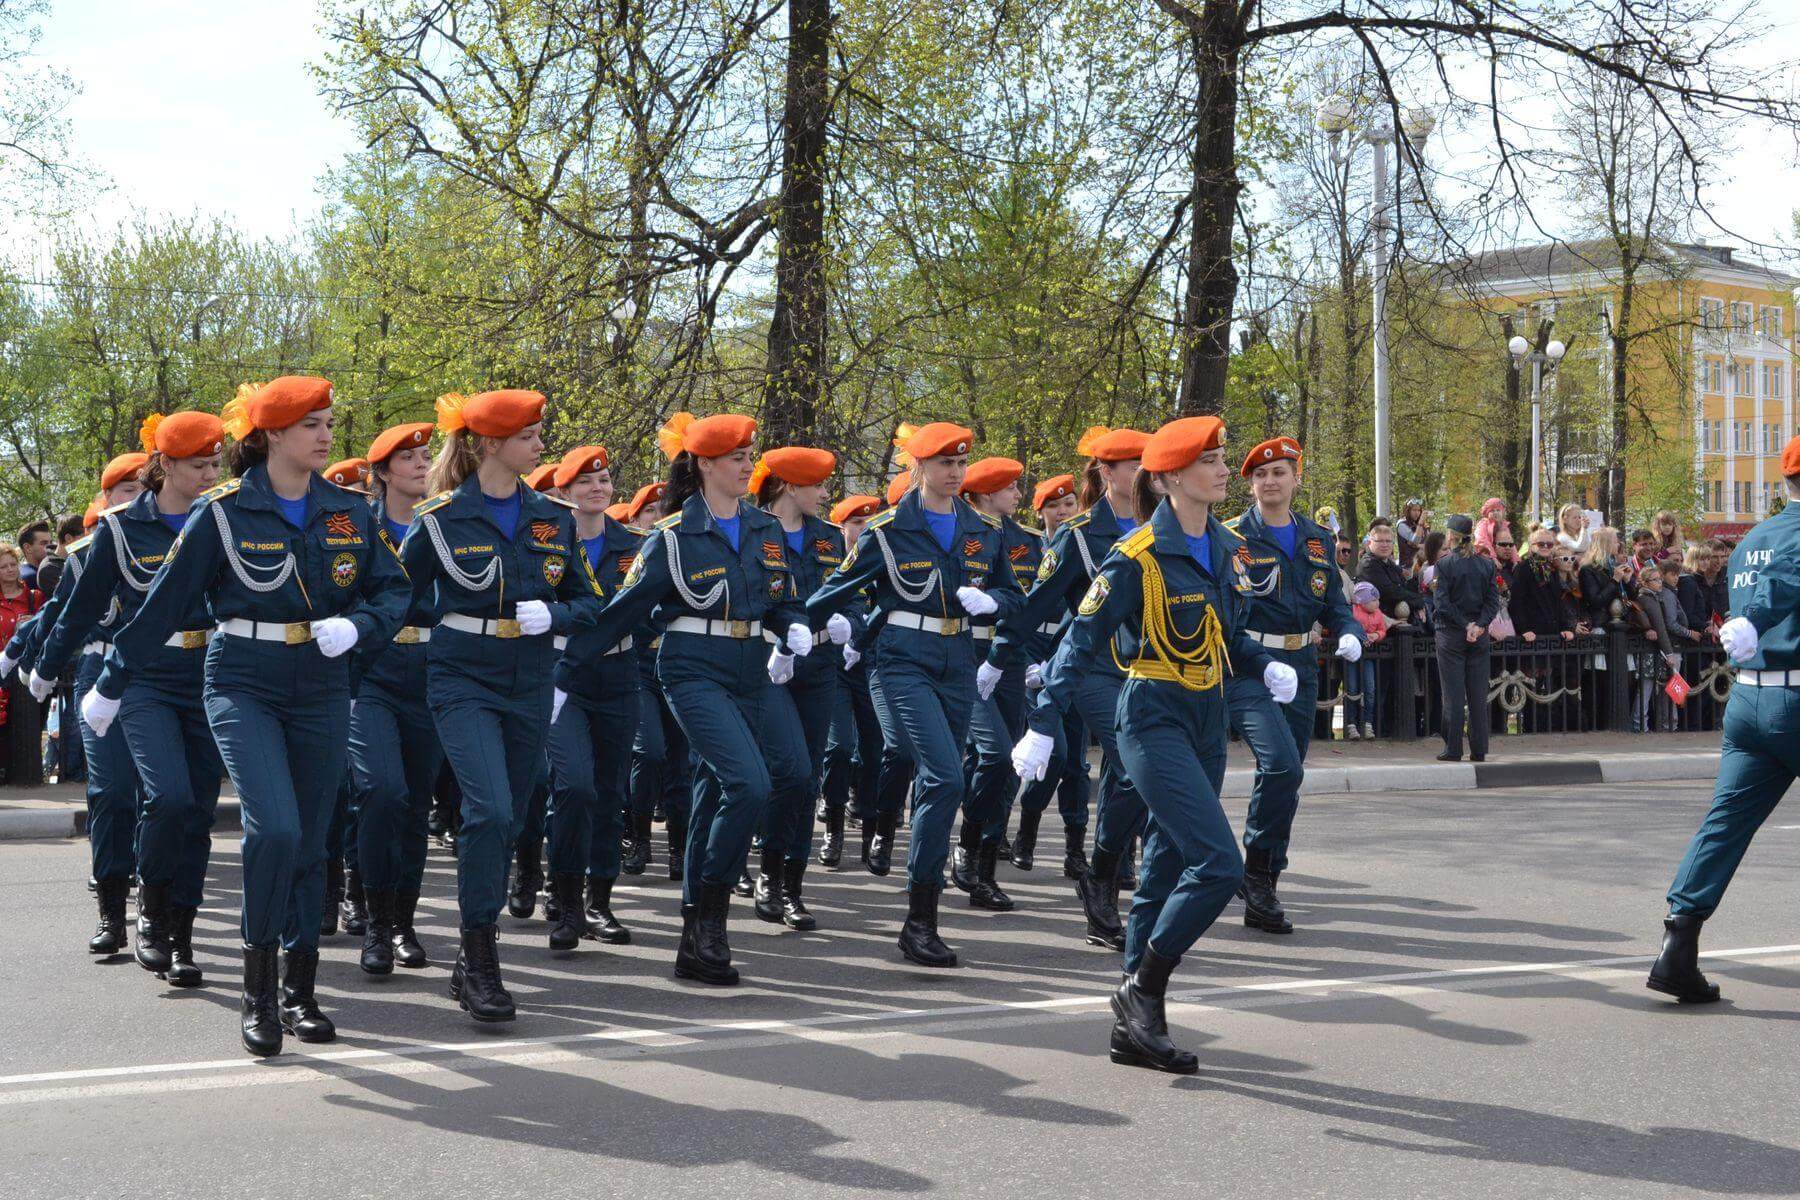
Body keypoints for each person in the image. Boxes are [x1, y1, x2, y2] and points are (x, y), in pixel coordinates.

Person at [80, 378, 408, 1056]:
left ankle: (299, 992)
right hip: (242, 681)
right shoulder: (223, 513)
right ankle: (258, 992)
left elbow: (392, 589)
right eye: (311, 424)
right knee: (277, 828)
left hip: (321, 679)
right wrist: (111, 682)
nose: (325, 434)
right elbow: (162, 606)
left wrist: (360, 626)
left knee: (313, 839)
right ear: (273, 435)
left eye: (328, 422)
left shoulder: (348, 509)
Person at [1010, 415, 1298, 1074]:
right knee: (1219, 865)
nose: (1225, 469)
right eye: (1211, 461)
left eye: (1224, 458)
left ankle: (1139, 1026)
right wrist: (1043, 721)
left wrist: (1260, 664)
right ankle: (1139, 989)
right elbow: (1077, 645)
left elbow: (1232, 632)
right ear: (1170, 478)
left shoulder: (1226, 548)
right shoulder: (1135, 555)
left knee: (1164, 873)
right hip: (1150, 715)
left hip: (1206, 715)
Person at [579, 412, 814, 986]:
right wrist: (563, 675)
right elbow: (624, 613)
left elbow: (779, 596)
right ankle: (708, 921)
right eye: (735, 457)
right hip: (692, 668)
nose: (745, 465)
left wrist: (793, 624)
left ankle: (696, 928)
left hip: (753, 669)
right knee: (748, 783)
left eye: (748, 456)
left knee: (794, 775)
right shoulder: (672, 535)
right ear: (705, 463)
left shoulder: (765, 529)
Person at [396, 390, 604, 1020]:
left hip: (530, 679)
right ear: (490, 444)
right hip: (462, 675)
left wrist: (558, 613)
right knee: (486, 811)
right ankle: (480, 958)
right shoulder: (437, 519)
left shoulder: (553, 517)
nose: (541, 445)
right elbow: (391, 596)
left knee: (512, 815)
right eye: (529, 436)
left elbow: (590, 602)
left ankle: (467, 963)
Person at [807, 421, 1026, 967]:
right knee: (946, 774)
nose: (954, 473)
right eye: (944, 464)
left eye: (960, 464)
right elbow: (834, 592)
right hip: (900, 659)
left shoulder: (984, 530)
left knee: (942, 783)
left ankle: (921, 918)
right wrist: (788, 635)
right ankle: (920, 919)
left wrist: (995, 602)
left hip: (958, 662)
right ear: (919, 468)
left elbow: (1015, 596)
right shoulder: (886, 532)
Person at [32, 413, 228, 987]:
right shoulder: (119, 531)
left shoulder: (221, 519)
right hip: (140, 675)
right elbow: (80, 606)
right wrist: (44, 669)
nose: (210, 474)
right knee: (153, 796)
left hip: (209, 673)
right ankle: (134, 914)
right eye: (199, 465)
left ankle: (181, 932)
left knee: (196, 809)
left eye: (216, 464)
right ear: (164, 466)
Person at [983, 426, 1148, 951]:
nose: (1149, 474)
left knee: (1139, 771)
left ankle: (1110, 868)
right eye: (1134, 465)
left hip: (1150, 670)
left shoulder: (1164, 525)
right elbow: (1037, 605)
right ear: (1107, 473)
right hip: (1094, 672)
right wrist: (1000, 657)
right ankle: (1103, 876)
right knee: (1130, 754)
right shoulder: (1077, 535)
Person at [1649, 437, 1800, 1003]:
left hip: (1750, 703)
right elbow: (1783, 589)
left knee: (1725, 824)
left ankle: (1677, 944)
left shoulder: (1752, 542)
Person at [0, 457, 144, 954]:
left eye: (143, 486)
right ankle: (112, 906)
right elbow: (60, 615)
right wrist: (22, 658)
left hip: (160, 677)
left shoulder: (182, 537)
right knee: (110, 791)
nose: (137, 495)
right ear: (107, 496)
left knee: (162, 794)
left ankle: (156, 894)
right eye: (127, 488)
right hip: (98, 673)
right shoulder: (89, 551)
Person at [1223, 435, 1361, 934]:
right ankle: (1257, 874)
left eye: (1279, 472)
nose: (1270, 481)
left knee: (1288, 773)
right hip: (1249, 669)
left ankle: (1262, 879)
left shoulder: (1317, 539)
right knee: (1279, 765)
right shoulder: (1231, 537)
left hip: (1302, 665)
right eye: (1261, 475)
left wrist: (1349, 631)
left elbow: (1335, 603)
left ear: (1296, 478)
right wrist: (1261, 663)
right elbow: (1224, 617)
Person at [347, 420, 443, 972]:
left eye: (425, 457)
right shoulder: (359, 524)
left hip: (430, 668)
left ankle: (401, 922)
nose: (420, 466)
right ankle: (374, 920)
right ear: (382, 473)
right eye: (408, 460)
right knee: (382, 791)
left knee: (414, 803)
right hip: (373, 669)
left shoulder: (446, 524)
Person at [543, 444, 646, 950]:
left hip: (619, 675)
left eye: (604, 481)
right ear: (563, 492)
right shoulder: (547, 542)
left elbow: (655, 608)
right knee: (575, 787)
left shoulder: (635, 543)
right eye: (585, 482)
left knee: (609, 792)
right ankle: (564, 900)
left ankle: (598, 901)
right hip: (563, 675)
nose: (597, 489)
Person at [749, 446, 853, 928]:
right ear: (790, 486)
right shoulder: (752, 531)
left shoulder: (831, 538)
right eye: (818, 485)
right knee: (784, 770)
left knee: (808, 775)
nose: (826, 494)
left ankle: (791, 884)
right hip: (766, 664)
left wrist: (848, 622)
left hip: (817, 663)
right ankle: (765, 870)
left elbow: (854, 595)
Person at [952, 456, 1040, 911]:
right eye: (1010, 489)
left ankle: (984, 867)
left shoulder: (1028, 542)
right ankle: (965, 845)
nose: (1018, 496)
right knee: (993, 754)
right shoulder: (959, 530)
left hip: (1008, 660)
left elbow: (1029, 604)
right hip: (965, 656)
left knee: (1010, 765)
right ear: (985, 494)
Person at [1012, 473, 1090, 874]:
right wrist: (1025, 662)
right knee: (1054, 754)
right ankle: (1028, 824)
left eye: (1069, 505)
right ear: (1039, 512)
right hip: (1031, 662)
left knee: (1076, 761)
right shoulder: (1023, 550)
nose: (1062, 513)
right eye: (1054, 507)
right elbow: (1017, 614)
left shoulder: (1086, 543)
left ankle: (1075, 848)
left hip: (1069, 660)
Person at [816, 494, 883, 869]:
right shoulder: (829, 564)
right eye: (857, 523)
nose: (863, 530)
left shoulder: (881, 560)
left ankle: (872, 830)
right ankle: (834, 827)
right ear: (841, 527)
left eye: (868, 523)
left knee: (874, 749)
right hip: (834, 666)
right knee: (839, 746)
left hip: (872, 665)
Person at [1431, 515, 1502, 762]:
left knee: (1453, 693)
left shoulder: (1444, 565)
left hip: (1451, 635)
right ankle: (1479, 748)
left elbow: (1442, 603)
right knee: (1477, 694)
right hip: (1479, 636)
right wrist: (1480, 625)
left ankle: (1453, 748)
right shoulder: (1486, 564)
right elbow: (1494, 601)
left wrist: (1466, 624)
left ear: (1451, 536)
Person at [1356, 523, 1424, 621]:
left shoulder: (1387, 562)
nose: (1385, 545)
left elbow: (1404, 585)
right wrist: (1418, 602)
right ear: (1370, 543)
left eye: (1388, 541)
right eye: (1380, 541)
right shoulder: (1369, 564)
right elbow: (1391, 592)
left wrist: (1420, 604)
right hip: (1379, 624)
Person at [1346, 582, 1387, 738]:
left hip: (1369, 654)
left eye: (1377, 600)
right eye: (1373, 600)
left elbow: (1382, 629)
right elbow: (1349, 627)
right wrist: (1362, 636)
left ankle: (1367, 723)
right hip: (1353, 655)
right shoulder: (1353, 611)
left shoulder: (1378, 613)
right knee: (1352, 687)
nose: (1377, 603)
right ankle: (1351, 724)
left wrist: (1376, 635)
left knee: (1370, 688)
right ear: (1362, 601)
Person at [15, 519, 52, 588]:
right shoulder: (29, 577)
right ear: (27, 548)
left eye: (51, 542)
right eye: (44, 543)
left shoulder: (45, 571)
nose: (50, 546)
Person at [1394, 499, 1430, 563]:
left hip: (1421, 564)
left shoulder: (1418, 524)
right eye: (1414, 510)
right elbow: (1415, 540)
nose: (1417, 513)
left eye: (1419, 510)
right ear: (1408, 510)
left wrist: (1419, 545)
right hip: (1407, 566)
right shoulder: (1402, 524)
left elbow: (1429, 542)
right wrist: (1421, 522)